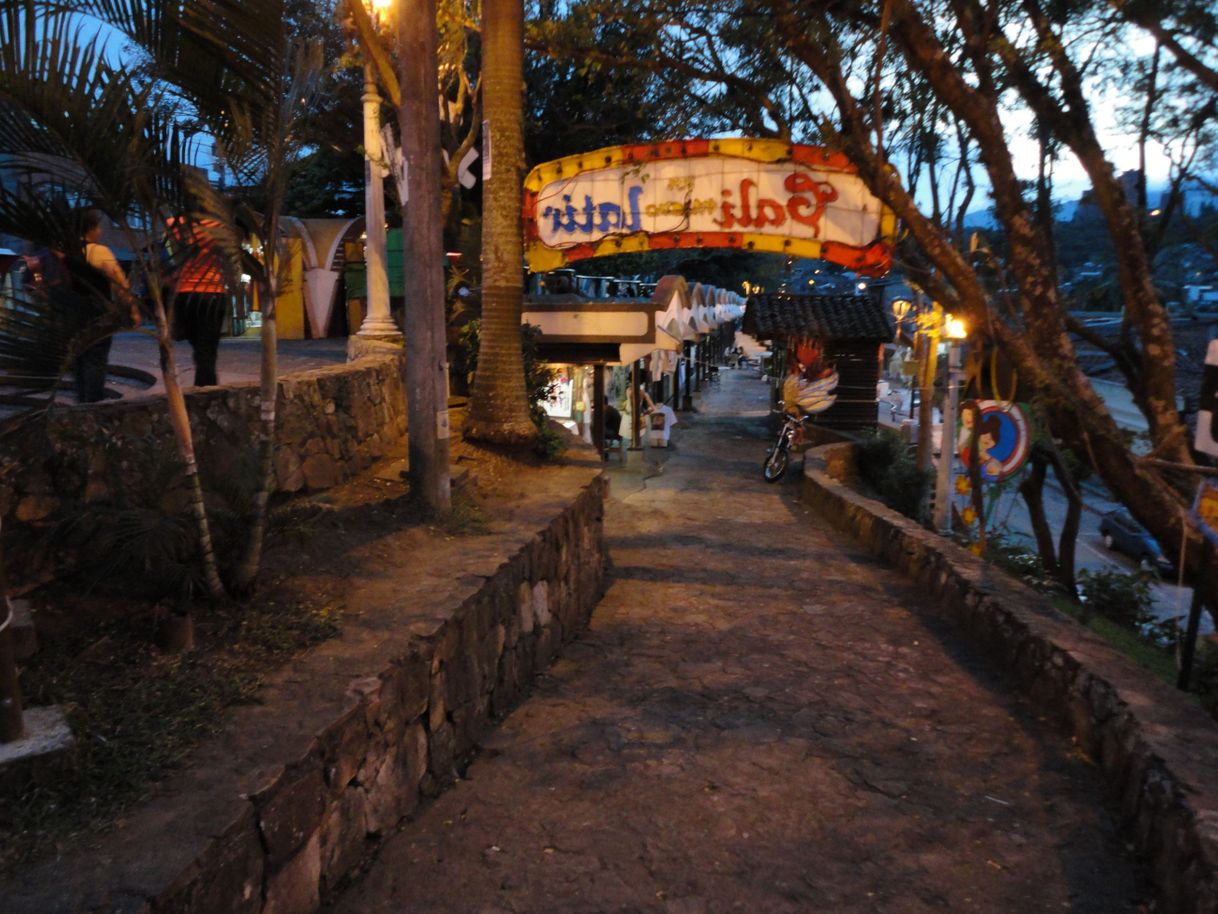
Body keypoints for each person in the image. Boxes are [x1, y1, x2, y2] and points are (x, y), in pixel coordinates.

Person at [69, 210, 138, 402]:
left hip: (71, 312)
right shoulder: (99, 252)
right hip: (97, 312)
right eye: (98, 226)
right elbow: (120, 284)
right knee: (96, 359)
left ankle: (81, 402)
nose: (100, 230)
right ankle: (93, 405)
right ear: (91, 229)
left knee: (79, 358)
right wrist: (132, 310)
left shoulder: (65, 253)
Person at [166, 217, 230, 387]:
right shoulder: (218, 225)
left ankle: (204, 388)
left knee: (200, 350)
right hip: (212, 292)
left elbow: (170, 257)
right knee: (207, 350)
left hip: (185, 294)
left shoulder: (173, 224)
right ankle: (207, 391)